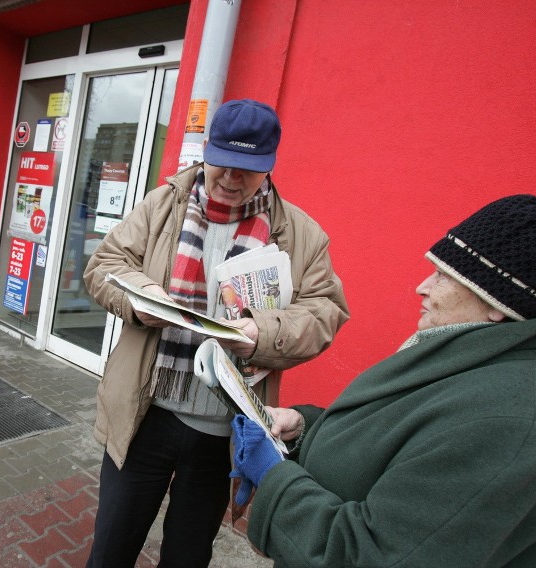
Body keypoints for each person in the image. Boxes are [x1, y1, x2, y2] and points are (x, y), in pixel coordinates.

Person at [82, 98, 350, 567]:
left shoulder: (301, 234)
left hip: (223, 431)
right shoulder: (162, 205)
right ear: (207, 152)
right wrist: (144, 301)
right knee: (111, 548)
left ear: (269, 167)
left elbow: (326, 310)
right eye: (222, 163)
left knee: (187, 555)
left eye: (246, 169)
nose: (230, 178)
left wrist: (262, 332)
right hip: (145, 414)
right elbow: (104, 266)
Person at [230, 194, 536, 568]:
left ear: (497, 303)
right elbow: (399, 438)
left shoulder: (511, 425)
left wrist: (274, 477)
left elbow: (372, 556)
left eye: (444, 276)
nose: (422, 286)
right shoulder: (467, 361)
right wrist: (307, 427)